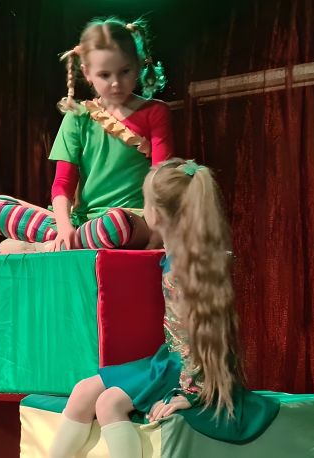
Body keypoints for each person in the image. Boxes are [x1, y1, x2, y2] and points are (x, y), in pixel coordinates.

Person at [48, 159, 280, 457]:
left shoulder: (184, 267)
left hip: (188, 370)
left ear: (156, 213)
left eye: (144, 201)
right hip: (169, 359)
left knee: (108, 404)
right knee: (83, 392)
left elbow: (198, 335)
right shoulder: (178, 251)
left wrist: (191, 393)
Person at [0, 17, 173, 252]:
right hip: (82, 221)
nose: (115, 83)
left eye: (124, 71)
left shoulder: (155, 112)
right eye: (105, 75)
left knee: (115, 225)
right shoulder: (78, 116)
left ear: (138, 64)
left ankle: (46, 247)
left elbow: (161, 179)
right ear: (87, 73)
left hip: (134, 218)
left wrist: (159, 231)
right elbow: (63, 183)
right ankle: (65, 241)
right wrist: (64, 227)